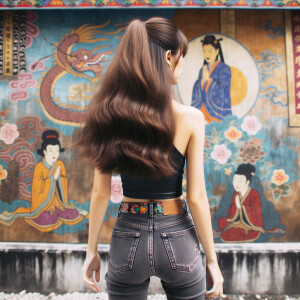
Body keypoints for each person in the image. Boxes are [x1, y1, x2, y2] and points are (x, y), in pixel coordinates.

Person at [74, 17, 224, 299]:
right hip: (177, 233)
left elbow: (100, 192)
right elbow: (197, 197)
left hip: (127, 235)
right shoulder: (191, 118)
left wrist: (91, 250)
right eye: (182, 57)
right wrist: (212, 260)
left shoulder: (109, 114)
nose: (183, 65)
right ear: (169, 57)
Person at [191, 35, 232, 123]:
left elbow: (224, 90)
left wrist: (209, 81)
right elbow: (197, 89)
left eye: (210, 51)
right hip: (203, 110)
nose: (207, 55)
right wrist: (201, 82)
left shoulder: (224, 68)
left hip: (218, 112)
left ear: (217, 51)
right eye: (204, 51)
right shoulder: (202, 70)